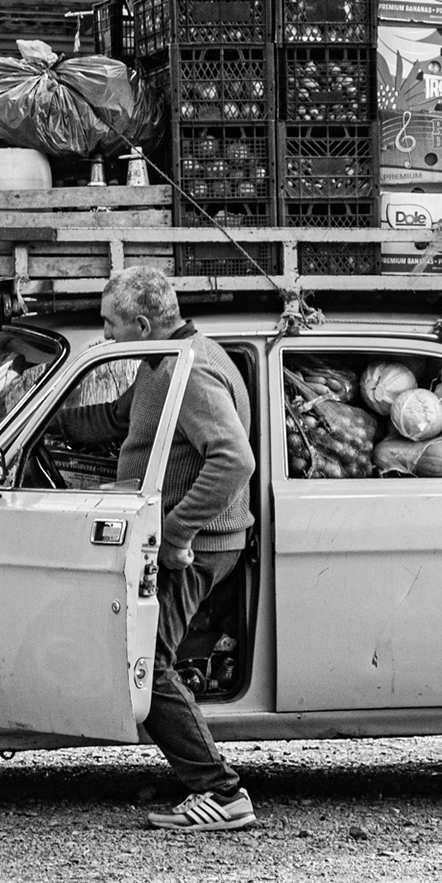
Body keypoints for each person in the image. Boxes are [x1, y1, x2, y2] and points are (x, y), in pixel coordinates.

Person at [59, 266, 257, 832]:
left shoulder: (188, 372)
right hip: (172, 535)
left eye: (110, 325)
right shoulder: (158, 364)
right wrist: (49, 420)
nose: (105, 337)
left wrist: (174, 535)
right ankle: (198, 776)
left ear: (143, 323)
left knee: (150, 664)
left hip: (196, 545)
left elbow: (233, 460)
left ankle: (220, 791)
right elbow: (120, 420)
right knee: (150, 659)